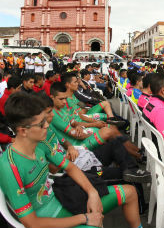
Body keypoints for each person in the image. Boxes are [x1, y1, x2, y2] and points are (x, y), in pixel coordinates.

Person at [0, 91, 141, 228]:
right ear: (23, 130)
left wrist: (92, 193)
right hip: (50, 220)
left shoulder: (40, 144)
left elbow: (70, 167)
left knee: (130, 192)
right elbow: (32, 223)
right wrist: (85, 218)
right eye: (41, 123)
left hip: (64, 200)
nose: (47, 125)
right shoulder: (9, 167)